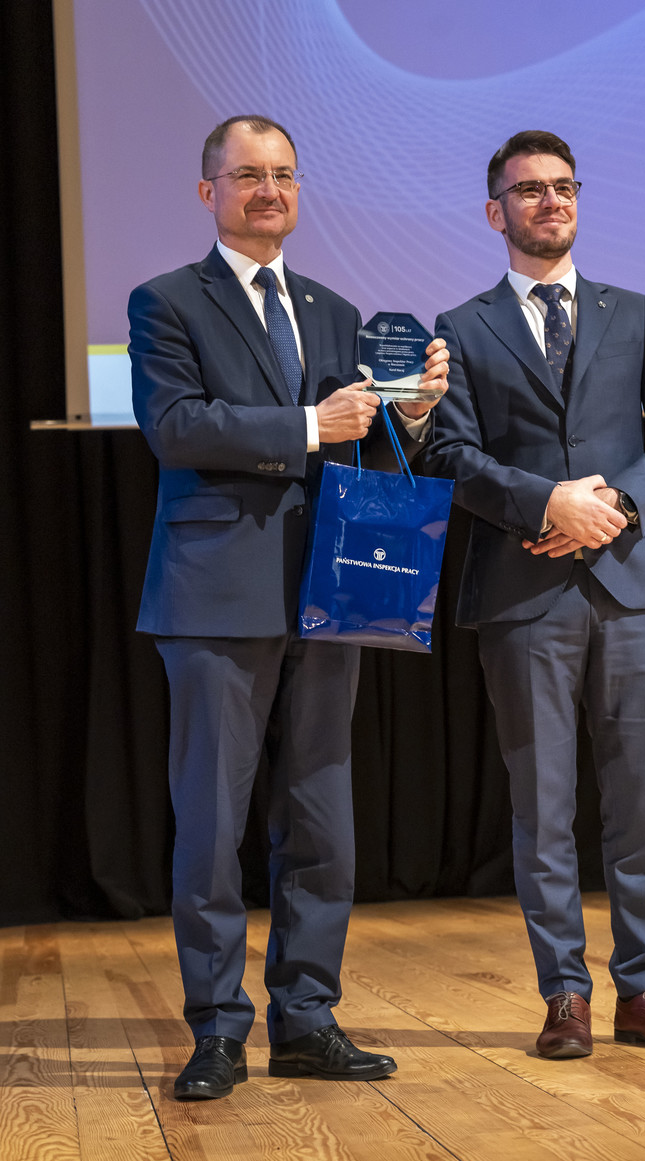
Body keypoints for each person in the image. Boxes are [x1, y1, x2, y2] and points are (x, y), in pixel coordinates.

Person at [128, 114, 448, 1099]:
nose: (269, 190)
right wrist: (311, 422)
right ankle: (217, 1030)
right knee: (212, 821)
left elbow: (367, 447)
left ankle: (306, 1019)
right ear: (209, 192)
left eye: (284, 175)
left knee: (319, 816)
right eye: (248, 175)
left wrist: (411, 412)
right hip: (214, 594)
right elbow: (176, 428)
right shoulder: (166, 301)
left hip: (327, 591)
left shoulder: (337, 311)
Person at [427, 130, 645, 1059]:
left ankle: (643, 990)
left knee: (640, 804)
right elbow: (447, 452)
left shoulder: (634, 312)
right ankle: (564, 996)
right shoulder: (460, 326)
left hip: (630, 588)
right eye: (529, 190)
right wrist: (546, 501)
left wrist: (615, 505)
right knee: (542, 806)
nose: (550, 201)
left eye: (563, 187)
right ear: (495, 212)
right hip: (523, 593)